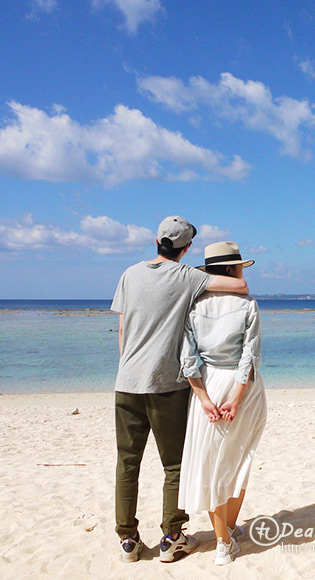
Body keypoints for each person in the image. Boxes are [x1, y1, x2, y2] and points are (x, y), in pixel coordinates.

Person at [111, 217, 249, 564]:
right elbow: (240, 286)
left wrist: (130, 368)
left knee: (127, 463)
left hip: (126, 383)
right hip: (167, 386)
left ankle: (128, 540)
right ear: (186, 249)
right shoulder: (187, 276)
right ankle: (172, 537)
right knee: (174, 465)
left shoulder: (129, 274)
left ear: (156, 240)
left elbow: (123, 330)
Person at [177, 241, 267, 566]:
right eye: (240, 266)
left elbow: (188, 359)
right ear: (231, 270)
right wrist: (237, 396)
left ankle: (223, 538)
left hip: (209, 383)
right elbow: (250, 357)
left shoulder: (194, 306)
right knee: (240, 457)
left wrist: (203, 397)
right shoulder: (247, 304)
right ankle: (225, 536)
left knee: (212, 462)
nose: (242, 272)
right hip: (242, 386)